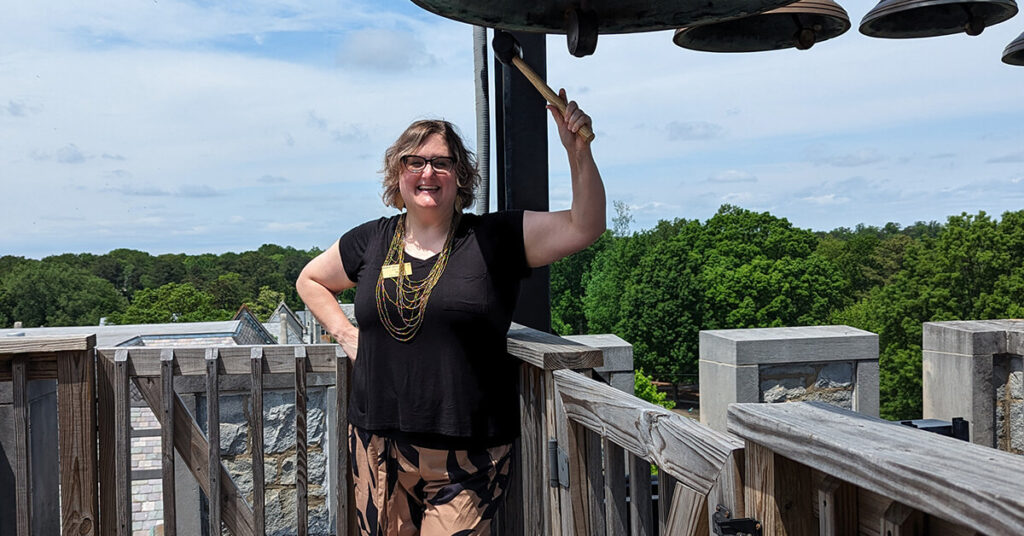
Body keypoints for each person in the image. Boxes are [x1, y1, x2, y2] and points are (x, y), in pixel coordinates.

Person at [296, 89, 605, 535]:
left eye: (442, 163)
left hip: (470, 457)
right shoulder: (371, 241)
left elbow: (584, 225)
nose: (428, 172)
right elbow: (310, 280)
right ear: (398, 174)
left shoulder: (495, 237)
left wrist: (578, 152)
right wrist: (345, 333)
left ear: (460, 176)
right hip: (379, 446)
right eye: (415, 162)